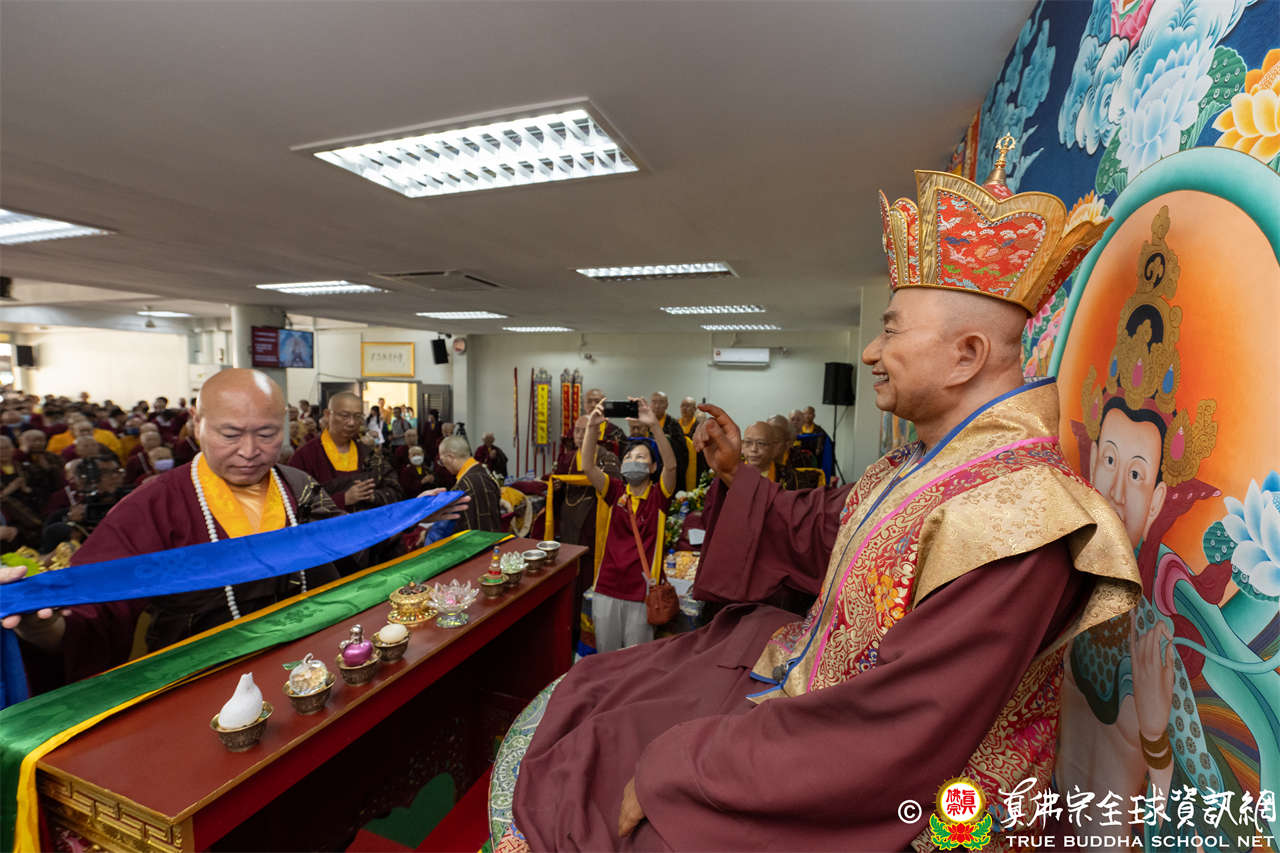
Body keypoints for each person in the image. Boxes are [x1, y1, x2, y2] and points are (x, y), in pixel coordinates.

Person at [497, 152, 1141, 851]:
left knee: (622, 788)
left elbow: (895, 730)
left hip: (909, 799)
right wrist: (736, 475)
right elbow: (822, 531)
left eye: (891, 329)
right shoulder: (918, 466)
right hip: (821, 698)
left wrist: (684, 767)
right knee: (614, 688)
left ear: (967, 355)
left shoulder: (1020, 517)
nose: (870, 351)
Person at [1, 370, 465, 692]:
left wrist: (409, 518)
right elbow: (93, 608)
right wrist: (44, 628)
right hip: (201, 682)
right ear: (197, 424)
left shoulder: (297, 486)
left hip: (310, 667)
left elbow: (349, 544)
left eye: (266, 434)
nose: (249, 451)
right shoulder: (155, 504)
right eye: (230, 434)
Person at [580, 397, 676, 653]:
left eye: (641, 457)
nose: (633, 460)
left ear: (653, 467)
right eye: (629, 456)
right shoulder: (615, 492)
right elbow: (587, 466)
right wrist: (592, 428)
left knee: (635, 659)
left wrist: (654, 426)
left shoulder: (658, 497)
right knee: (606, 654)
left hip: (641, 593)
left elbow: (672, 465)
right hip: (607, 587)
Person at [290, 392, 403, 511]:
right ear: (327, 415)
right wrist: (343, 499)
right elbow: (294, 503)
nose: (352, 423)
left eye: (358, 416)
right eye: (344, 416)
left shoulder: (368, 454)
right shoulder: (306, 455)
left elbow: (395, 490)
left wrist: (372, 496)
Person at [437, 435, 503, 533]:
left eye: (442, 461)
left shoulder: (464, 486)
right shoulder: (484, 472)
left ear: (450, 457)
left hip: (475, 541)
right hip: (494, 538)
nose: (443, 466)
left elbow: (462, 528)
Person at [649, 391, 692, 492]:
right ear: (650, 404)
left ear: (666, 405)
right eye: (654, 402)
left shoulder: (673, 425)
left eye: (661, 402)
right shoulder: (645, 423)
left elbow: (682, 451)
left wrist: (665, 441)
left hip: (667, 472)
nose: (657, 406)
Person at [741, 421, 799, 490]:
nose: (753, 449)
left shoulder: (787, 475)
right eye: (748, 442)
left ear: (773, 448)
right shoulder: (733, 473)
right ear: (742, 446)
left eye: (760, 443)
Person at [583, 388, 626, 455]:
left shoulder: (616, 432)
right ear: (584, 405)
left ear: (604, 404)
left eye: (597, 401)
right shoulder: (576, 430)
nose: (593, 405)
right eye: (589, 401)